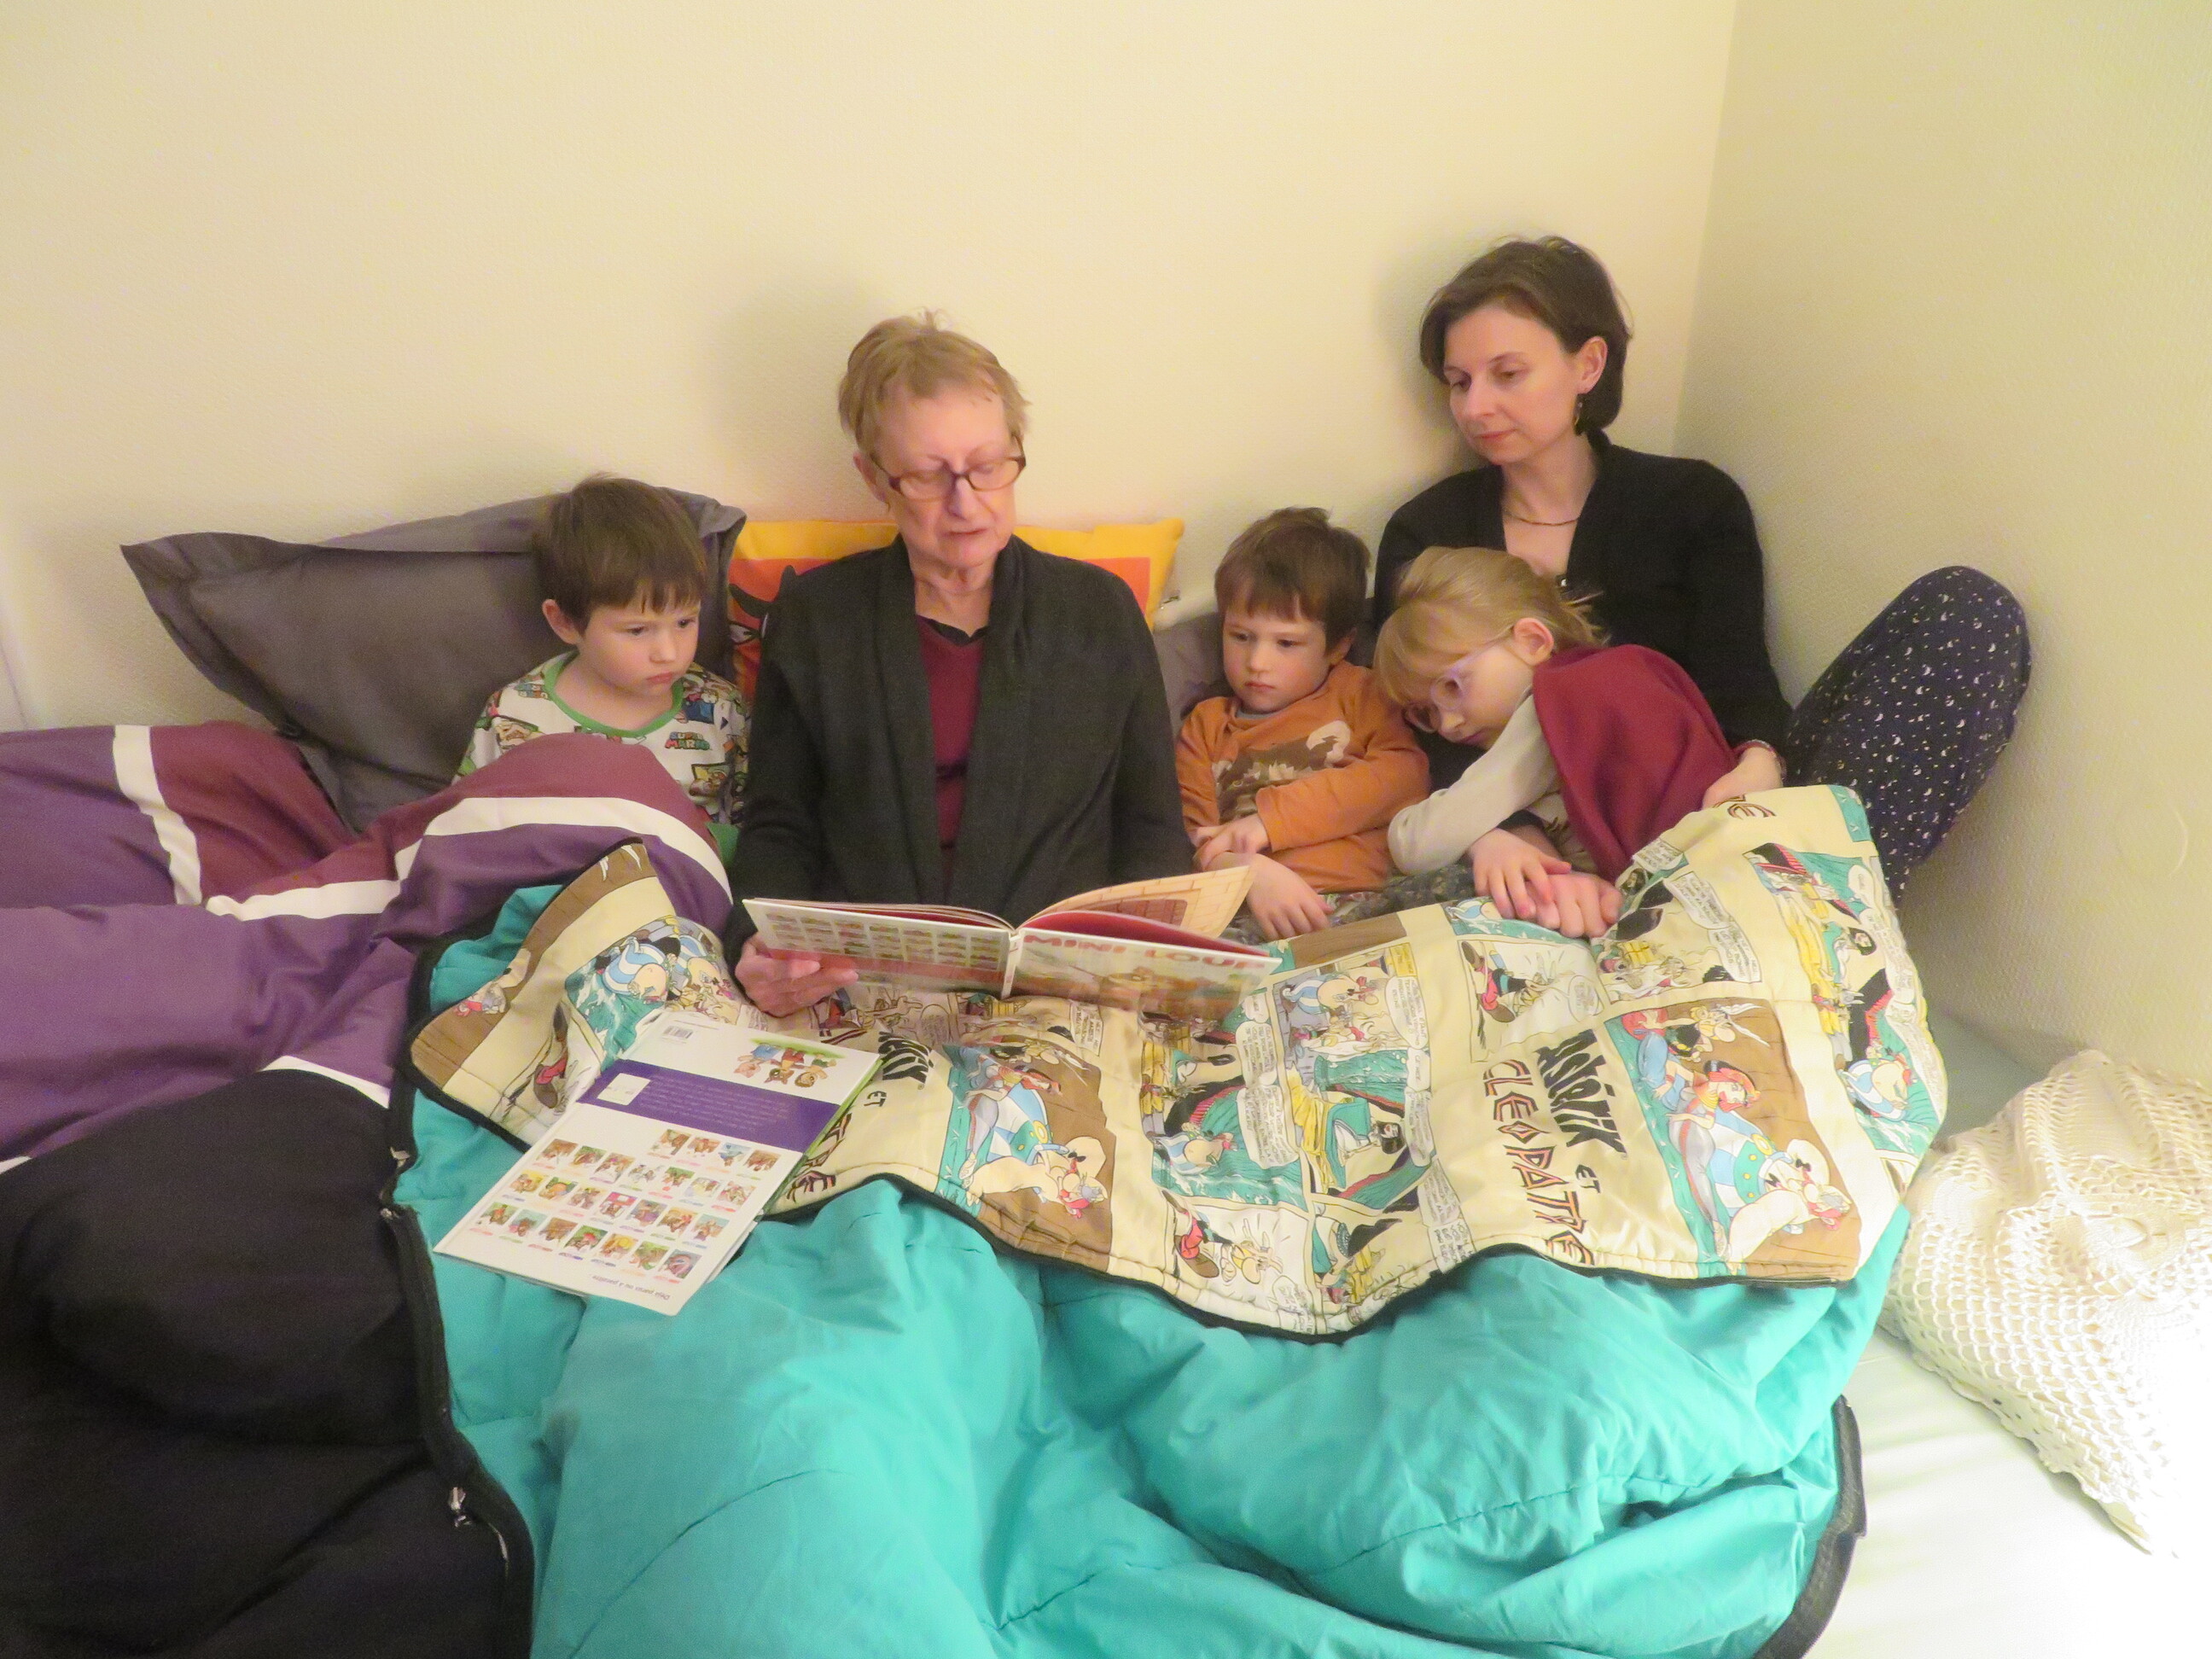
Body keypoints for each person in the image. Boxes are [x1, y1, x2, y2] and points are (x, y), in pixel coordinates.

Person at [1376, 236, 2027, 894]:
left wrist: (1759, 762)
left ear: (1588, 364)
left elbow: (1738, 673)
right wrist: (1502, 836)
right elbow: (1413, 731)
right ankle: (1770, 917)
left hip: (1711, 813)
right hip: (1526, 854)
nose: (1475, 408)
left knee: (1965, 611)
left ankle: (1803, 899)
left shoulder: (1691, 503)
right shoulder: (1427, 535)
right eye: (1459, 383)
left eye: (1508, 374)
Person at [729, 314, 1188, 1016]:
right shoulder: (816, 618)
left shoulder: (1100, 612)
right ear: (875, 479)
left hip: (1060, 991)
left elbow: (1152, 828)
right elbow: (779, 827)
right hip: (864, 985)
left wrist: (1145, 970)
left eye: (988, 466)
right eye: (927, 476)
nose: (965, 503)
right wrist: (759, 947)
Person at [1375, 546, 1740, 939]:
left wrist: (1482, 838)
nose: (1448, 724)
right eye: (1426, 713)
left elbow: (1417, 842)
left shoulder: (1556, 705)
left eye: (1451, 687)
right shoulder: (1590, 695)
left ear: (1532, 641)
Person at [1176, 508, 1427, 940]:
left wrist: (1269, 821)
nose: (1257, 662)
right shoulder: (1205, 725)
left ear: (1339, 647)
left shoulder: (1361, 692)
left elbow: (1405, 776)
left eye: (1287, 643)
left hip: (1365, 900)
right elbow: (1192, 841)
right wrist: (1247, 870)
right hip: (1251, 915)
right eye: (1241, 636)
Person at [457, 474, 748, 846]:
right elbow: (464, 834)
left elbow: (756, 834)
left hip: (687, 873)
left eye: (684, 622)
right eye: (637, 630)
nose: (669, 653)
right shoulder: (514, 714)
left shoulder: (721, 708)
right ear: (565, 622)